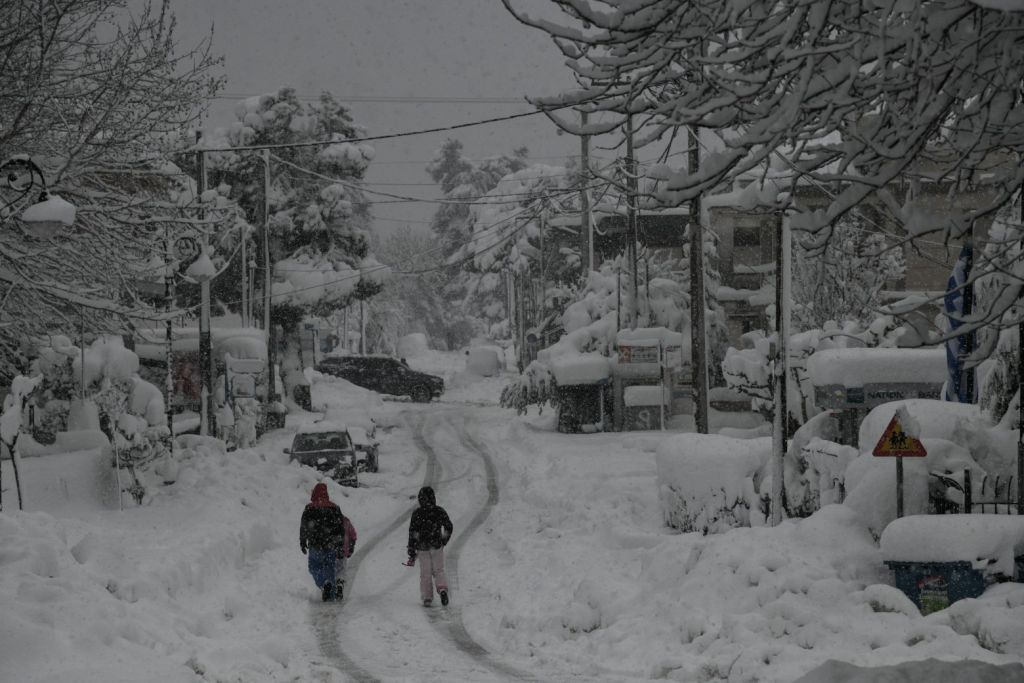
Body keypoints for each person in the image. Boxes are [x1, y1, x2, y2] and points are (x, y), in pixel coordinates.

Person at [300, 482, 357, 601]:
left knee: (314, 567)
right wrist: (340, 543)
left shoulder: (309, 508)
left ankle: (324, 584)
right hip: (331, 545)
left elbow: (304, 526)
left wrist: (302, 540)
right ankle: (332, 587)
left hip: (315, 545)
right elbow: (341, 528)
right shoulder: (334, 508)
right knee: (330, 567)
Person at [406, 486, 453, 606]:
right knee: (439, 570)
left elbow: (413, 532)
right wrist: (444, 540)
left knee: (425, 573)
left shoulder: (417, 513)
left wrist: (412, 548)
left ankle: (427, 597)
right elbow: (449, 526)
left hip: (423, 547)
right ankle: (442, 589)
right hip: (437, 545)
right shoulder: (439, 511)